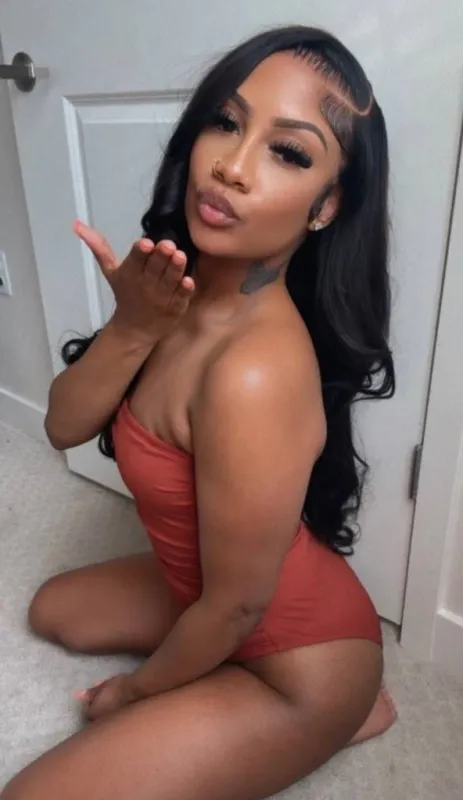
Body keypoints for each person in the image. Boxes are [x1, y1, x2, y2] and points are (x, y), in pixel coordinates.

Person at [2, 24, 397, 800]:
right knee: (55, 612)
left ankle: (344, 713)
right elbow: (62, 428)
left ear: (326, 205)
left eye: (288, 153)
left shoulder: (253, 372)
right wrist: (132, 328)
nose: (231, 166)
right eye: (225, 121)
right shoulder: (171, 296)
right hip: (210, 593)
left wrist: (134, 693)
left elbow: (239, 604)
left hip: (297, 664)